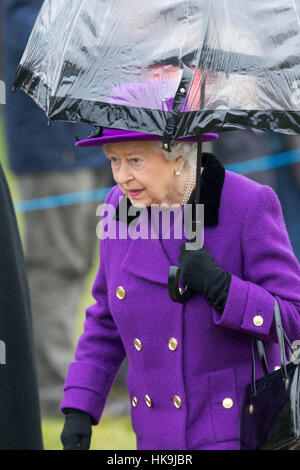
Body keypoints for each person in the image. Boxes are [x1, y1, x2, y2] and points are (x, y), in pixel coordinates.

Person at [59, 127, 300, 450]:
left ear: (176, 153)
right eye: (113, 160)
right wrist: (81, 405)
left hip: (235, 432)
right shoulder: (119, 206)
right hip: (154, 436)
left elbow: (293, 316)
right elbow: (105, 320)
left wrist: (223, 288)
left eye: (135, 160)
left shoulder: (247, 203)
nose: (122, 176)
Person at [1, 0, 115, 417]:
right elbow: (38, 40)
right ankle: (49, 387)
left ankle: (80, 378)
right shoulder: (27, 12)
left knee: (83, 263)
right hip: (50, 144)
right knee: (55, 264)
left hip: (80, 141)